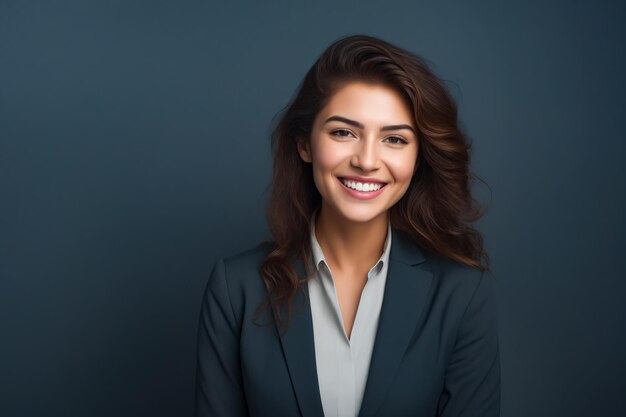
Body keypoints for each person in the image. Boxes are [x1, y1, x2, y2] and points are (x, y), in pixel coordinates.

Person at [194, 34, 500, 417]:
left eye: (395, 139)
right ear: (305, 144)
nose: (367, 160)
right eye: (344, 132)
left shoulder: (462, 293)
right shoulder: (235, 287)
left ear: (418, 158)